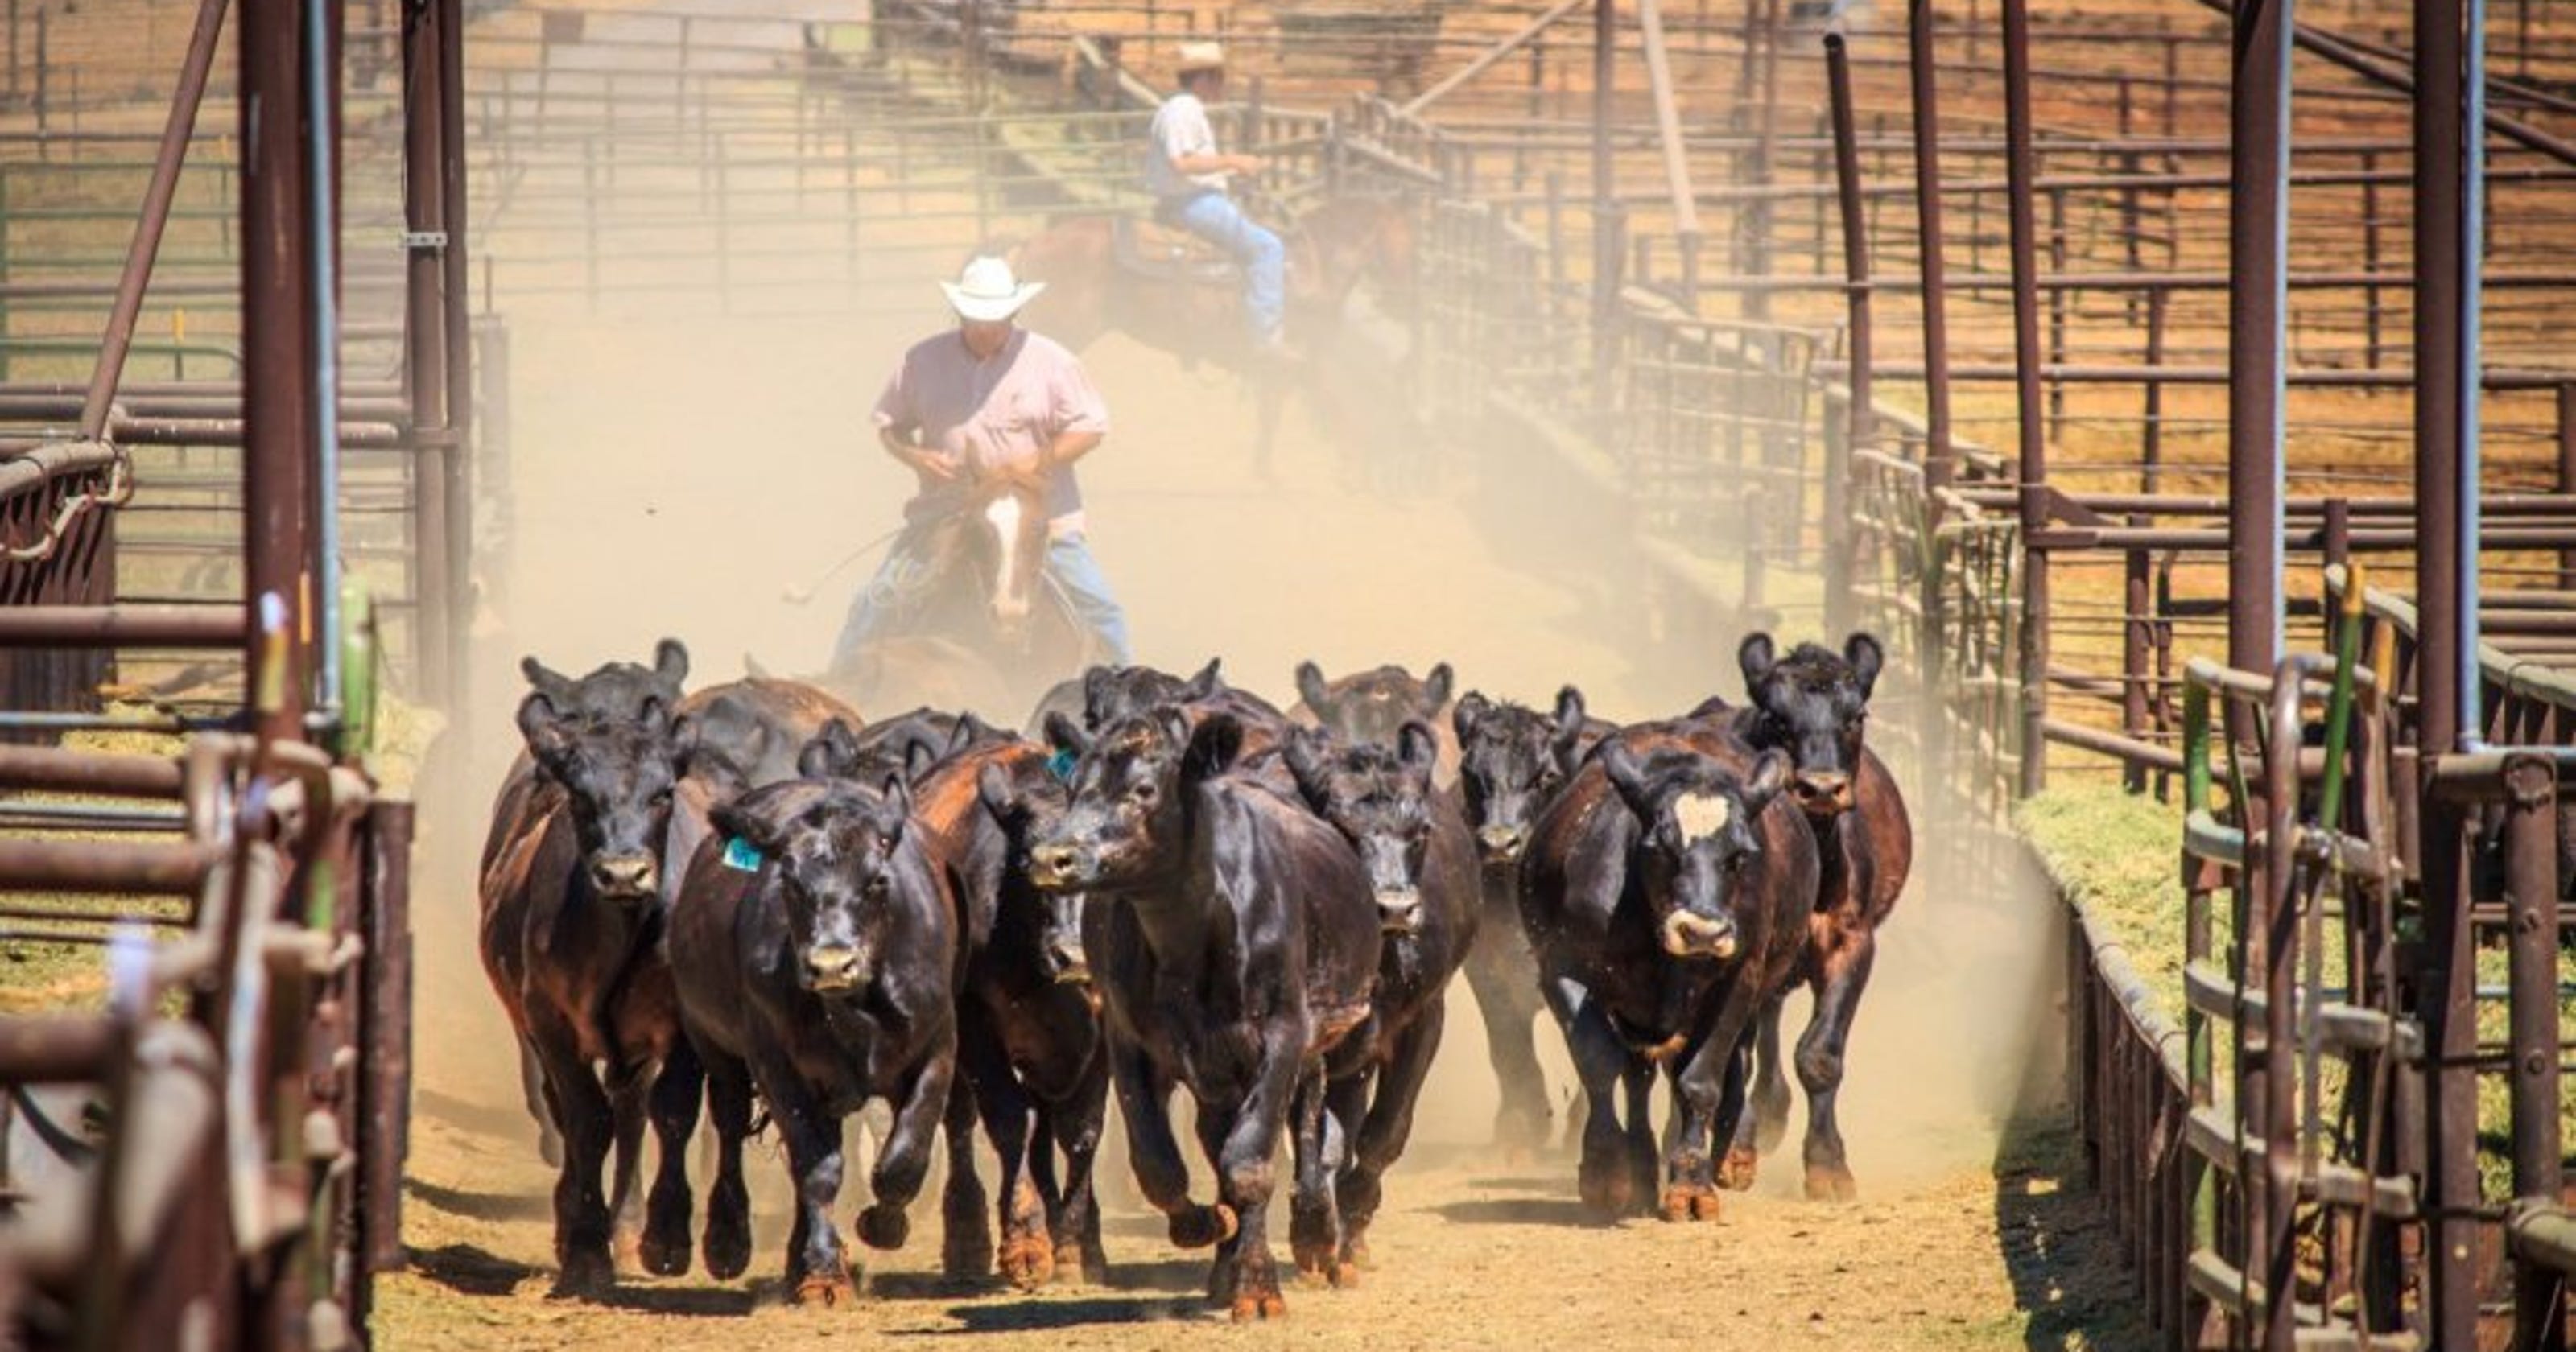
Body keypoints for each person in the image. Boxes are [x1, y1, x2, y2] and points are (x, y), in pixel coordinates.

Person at [831, 256, 1134, 669]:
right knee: (875, 600)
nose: (986, 328)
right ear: (959, 313)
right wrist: (915, 456)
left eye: (996, 319)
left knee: (1103, 609)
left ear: (1014, 312)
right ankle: (840, 689)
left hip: (1043, 519)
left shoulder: (1053, 362)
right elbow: (891, 427)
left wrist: (1041, 459)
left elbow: (1090, 428)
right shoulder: (920, 362)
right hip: (948, 514)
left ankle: (1126, 702)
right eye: (976, 318)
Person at [1145, 40, 1286, 354]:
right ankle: (1266, 340)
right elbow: (1181, 163)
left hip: (1197, 198)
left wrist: (1233, 170)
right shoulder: (1183, 111)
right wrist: (1234, 161)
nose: (1222, 85)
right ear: (1204, 79)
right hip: (1193, 203)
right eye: (1219, 77)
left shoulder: (1184, 109)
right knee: (1268, 248)